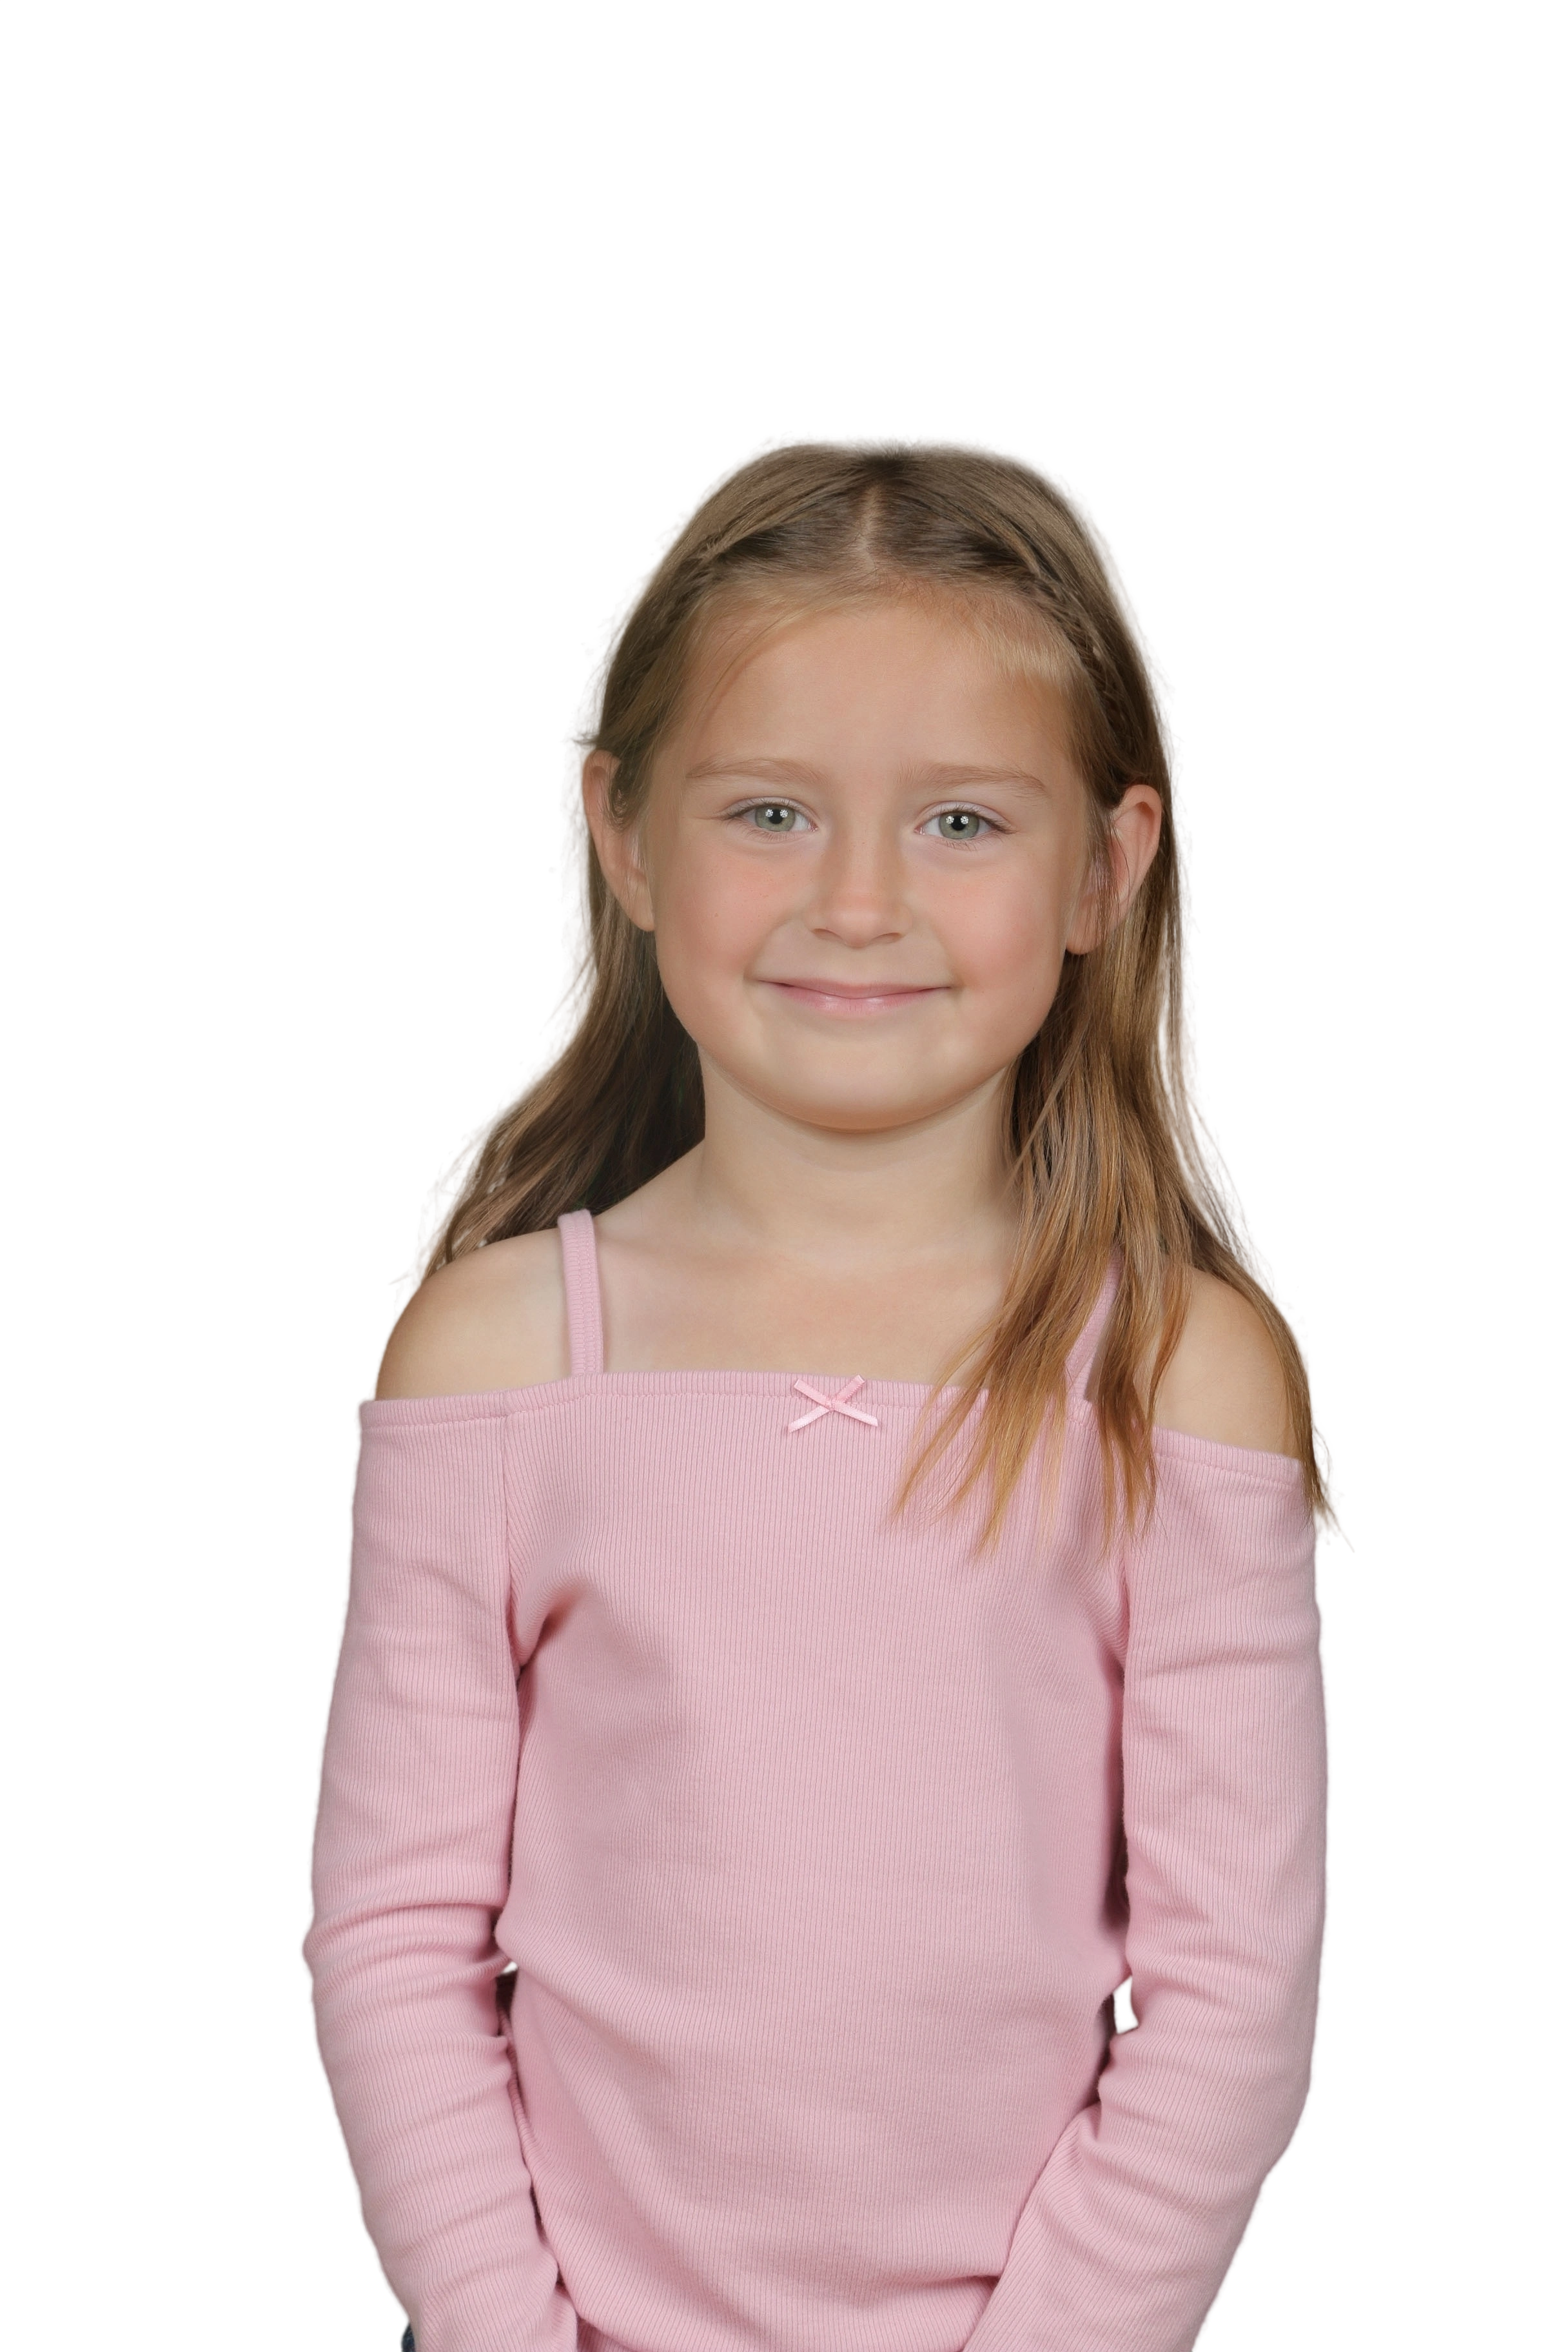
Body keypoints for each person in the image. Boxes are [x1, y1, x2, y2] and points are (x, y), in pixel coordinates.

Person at [298, 427, 1346, 2352]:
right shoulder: (503, 1360)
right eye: (771, 810)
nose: (857, 902)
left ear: (1107, 868)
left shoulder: (1175, 1373)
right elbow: (391, 1939)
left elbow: (1237, 1988)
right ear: (626, 836)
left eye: (962, 822)